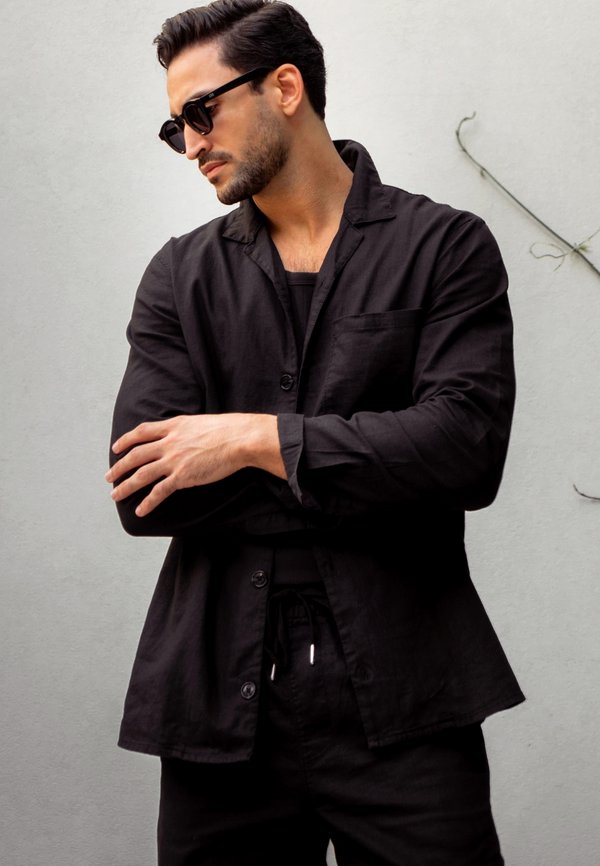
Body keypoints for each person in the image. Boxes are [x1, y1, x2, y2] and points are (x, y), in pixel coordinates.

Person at [106, 2, 525, 863]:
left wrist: (252, 441)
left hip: (408, 699)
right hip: (221, 710)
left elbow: (464, 451)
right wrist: (376, 461)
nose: (190, 145)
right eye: (175, 127)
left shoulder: (444, 248)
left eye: (201, 112)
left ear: (286, 87)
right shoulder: (180, 276)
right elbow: (146, 497)